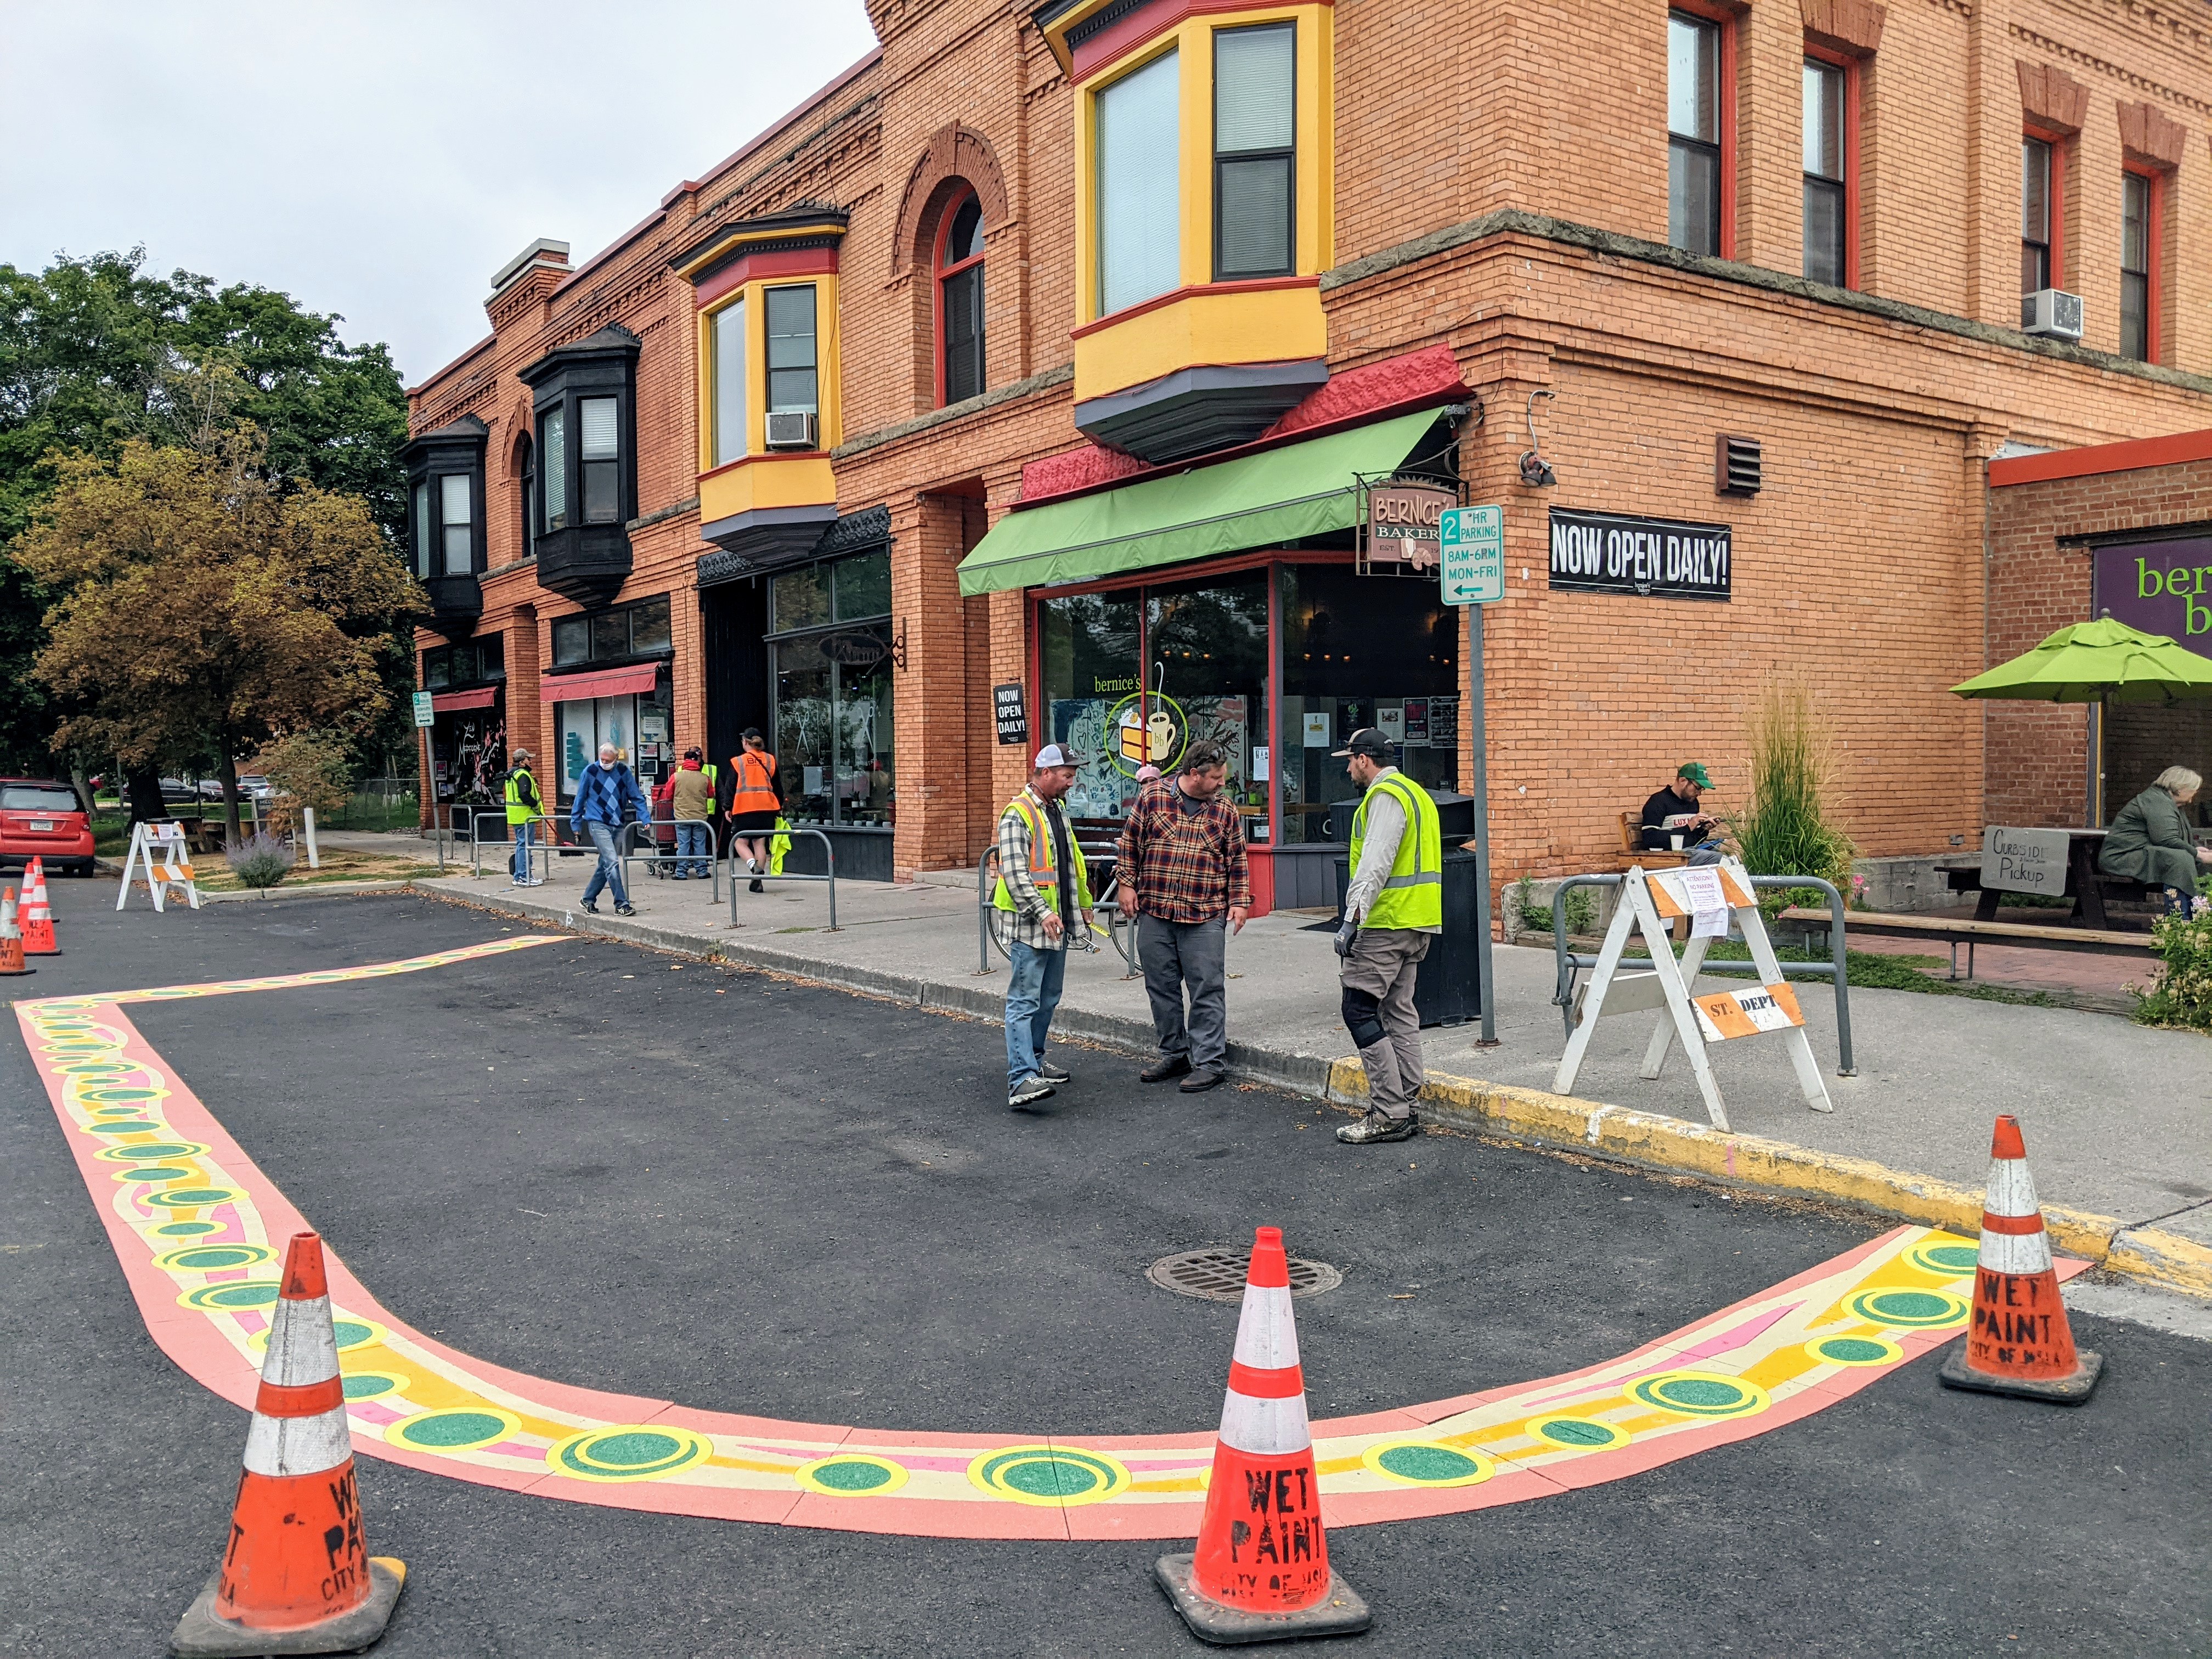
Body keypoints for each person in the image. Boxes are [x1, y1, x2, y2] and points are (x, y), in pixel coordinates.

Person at [1116, 739, 1251, 1093]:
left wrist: (1240, 902)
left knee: (1207, 988)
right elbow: (1130, 844)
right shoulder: (1153, 797)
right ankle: (1174, 1054)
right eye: (1216, 777)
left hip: (1204, 914)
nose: (1222, 783)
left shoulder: (1225, 809)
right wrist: (1126, 885)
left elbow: (1237, 858)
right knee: (1161, 987)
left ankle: (1209, 1063)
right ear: (1195, 774)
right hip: (1156, 911)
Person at [1329, 727, 1442, 1146]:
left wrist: (1351, 919)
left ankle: (1390, 1113)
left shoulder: (1385, 797)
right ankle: (1405, 1106)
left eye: (1350, 760)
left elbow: (1376, 861)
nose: (1348, 769)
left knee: (1358, 1011)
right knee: (1399, 1012)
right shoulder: (1417, 794)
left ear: (1364, 759)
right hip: (1418, 920)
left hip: (1386, 922)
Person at [992, 743, 1095, 1111]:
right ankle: (1020, 1079)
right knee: (1024, 1002)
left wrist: (1083, 903)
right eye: (1067, 776)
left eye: (1073, 776)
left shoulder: (1057, 809)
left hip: (1056, 923)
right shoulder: (1017, 813)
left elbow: (1071, 861)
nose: (1071, 782)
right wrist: (1043, 912)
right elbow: (1016, 874)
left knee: (1048, 998)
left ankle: (1034, 1062)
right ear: (1045, 772)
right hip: (1031, 926)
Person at [2101, 765, 2212, 917]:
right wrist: (2198, 854)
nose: (2194, 796)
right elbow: (2166, 839)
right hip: (2122, 857)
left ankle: (2202, 916)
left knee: (2198, 863)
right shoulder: (2157, 802)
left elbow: (2176, 836)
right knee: (2180, 860)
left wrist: (2196, 849)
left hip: (2143, 852)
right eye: (2193, 790)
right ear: (2180, 788)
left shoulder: (2168, 802)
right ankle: (2181, 918)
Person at [570, 741, 649, 917]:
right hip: (597, 822)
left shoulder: (623, 772)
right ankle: (621, 904)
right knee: (612, 862)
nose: (604, 763)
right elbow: (580, 799)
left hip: (617, 823)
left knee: (606, 864)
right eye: (602, 759)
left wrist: (645, 818)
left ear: (616, 758)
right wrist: (576, 825)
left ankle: (588, 898)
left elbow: (636, 796)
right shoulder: (590, 771)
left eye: (608, 760)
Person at [1641, 763, 1727, 865]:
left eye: (1702, 789)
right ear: (1683, 781)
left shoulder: (1693, 802)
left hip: (1692, 851)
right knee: (1719, 858)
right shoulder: (1658, 802)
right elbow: (1650, 840)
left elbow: (1692, 840)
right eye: (1698, 788)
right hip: (1670, 857)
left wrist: (1703, 829)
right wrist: (1688, 827)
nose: (1699, 793)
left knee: (1734, 848)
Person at [727, 729, 780, 895]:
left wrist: (727, 807)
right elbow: (778, 786)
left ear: (745, 742)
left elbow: (731, 786)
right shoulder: (770, 760)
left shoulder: (738, 761)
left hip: (744, 808)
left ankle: (753, 867)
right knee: (759, 843)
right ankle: (758, 881)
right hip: (767, 809)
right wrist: (779, 807)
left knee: (739, 842)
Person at [670, 747, 716, 879]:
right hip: (700, 817)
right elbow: (711, 794)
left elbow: (668, 794)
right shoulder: (705, 778)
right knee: (699, 844)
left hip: (682, 817)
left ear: (685, 760)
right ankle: (702, 871)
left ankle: (681, 873)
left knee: (683, 845)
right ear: (697, 761)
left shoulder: (676, 777)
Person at [502, 748, 543, 888]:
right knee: (526, 846)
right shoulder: (522, 775)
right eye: (528, 759)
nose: (531, 761)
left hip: (516, 816)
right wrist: (535, 806)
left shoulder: (512, 774)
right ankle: (525, 877)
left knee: (521, 846)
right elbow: (524, 795)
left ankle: (519, 876)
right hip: (524, 816)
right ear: (522, 762)